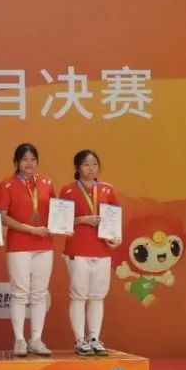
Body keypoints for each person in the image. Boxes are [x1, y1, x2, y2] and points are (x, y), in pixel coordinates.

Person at [59, 150, 121, 356]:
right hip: (77, 250)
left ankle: (94, 337)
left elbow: (115, 219)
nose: (91, 168)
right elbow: (59, 221)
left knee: (97, 296)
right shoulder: (68, 190)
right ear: (77, 168)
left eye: (94, 164)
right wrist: (81, 220)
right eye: (86, 164)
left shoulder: (107, 189)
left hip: (102, 250)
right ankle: (79, 339)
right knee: (79, 296)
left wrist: (116, 238)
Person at [0, 143, 56, 357]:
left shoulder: (46, 182)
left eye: (33, 159)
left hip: (44, 245)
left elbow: (57, 212)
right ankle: (19, 340)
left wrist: (59, 224)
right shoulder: (7, 184)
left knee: (39, 294)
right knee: (20, 293)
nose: (29, 163)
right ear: (16, 162)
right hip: (19, 245)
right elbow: (2, 216)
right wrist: (30, 229)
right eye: (24, 159)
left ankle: (36, 339)